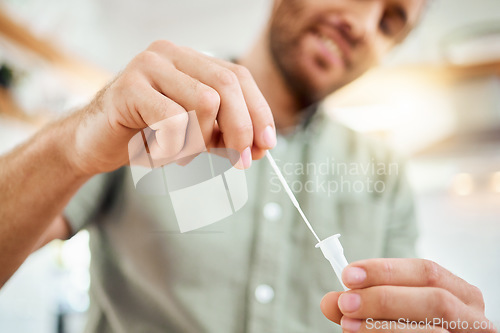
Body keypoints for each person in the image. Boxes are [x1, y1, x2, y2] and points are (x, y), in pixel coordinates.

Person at [0, 0, 496, 332]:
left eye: (390, 22)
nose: (364, 23)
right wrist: (72, 146)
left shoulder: (384, 177)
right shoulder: (147, 109)